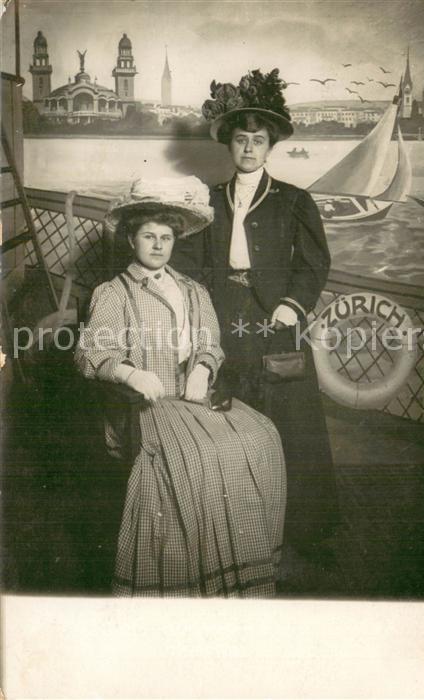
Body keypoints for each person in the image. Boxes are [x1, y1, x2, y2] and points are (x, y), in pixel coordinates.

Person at [74, 177, 286, 597]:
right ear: (131, 239)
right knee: (202, 455)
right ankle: (188, 577)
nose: (158, 245)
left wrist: (203, 369)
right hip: (141, 407)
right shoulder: (113, 293)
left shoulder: (193, 290)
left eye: (166, 237)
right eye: (148, 236)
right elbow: (89, 354)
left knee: (263, 435)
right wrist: (129, 373)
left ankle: (243, 571)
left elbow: (210, 342)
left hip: (194, 398)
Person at [170, 69, 339, 551]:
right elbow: (194, 263)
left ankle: (301, 528)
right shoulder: (209, 200)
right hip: (223, 312)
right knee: (228, 412)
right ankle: (235, 524)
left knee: (287, 415)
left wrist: (292, 307)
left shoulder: (294, 200)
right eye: (241, 140)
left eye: (258, 140)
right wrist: (195, 308)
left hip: (276, 317)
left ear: (270, 147)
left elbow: (314, 264)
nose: (248, 148)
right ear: (231, 146)